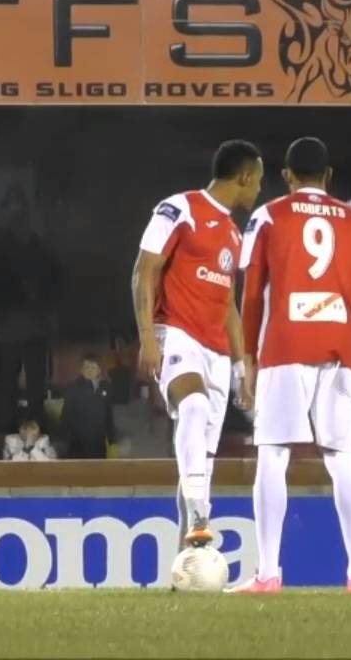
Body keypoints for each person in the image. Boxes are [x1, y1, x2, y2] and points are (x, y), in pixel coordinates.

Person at [234, 137, 351, 595]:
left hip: (285, 347)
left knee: (273, 456)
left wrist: (248, 357)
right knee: (343, 459)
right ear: (329, 176)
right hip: (339, 349)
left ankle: (268, 573)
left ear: (287, 176)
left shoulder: (269, 215)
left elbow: (252, 290)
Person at [132, 139, 264, 554]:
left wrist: (243, 367)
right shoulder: (178, 208)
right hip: (177, 334)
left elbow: (228, 305)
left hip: (218, 354)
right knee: (193, 406)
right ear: (243, 177)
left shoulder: (232, 232)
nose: (259, 189)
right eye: (258, 180)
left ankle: (188, 558)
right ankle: (201, 507)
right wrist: (148, 337)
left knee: (202, 462)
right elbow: (143, 270)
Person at [57, 355, 117, 459]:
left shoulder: (105, 387)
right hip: (78, 440)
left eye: (93, 367)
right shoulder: (74, 388)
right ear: (81, 370)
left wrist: (112, 438)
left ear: (99, 370)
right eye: (86, 367)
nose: (89, 370)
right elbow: (66, 413)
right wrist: (62, 438)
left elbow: (108, 413)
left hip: (98, 440)